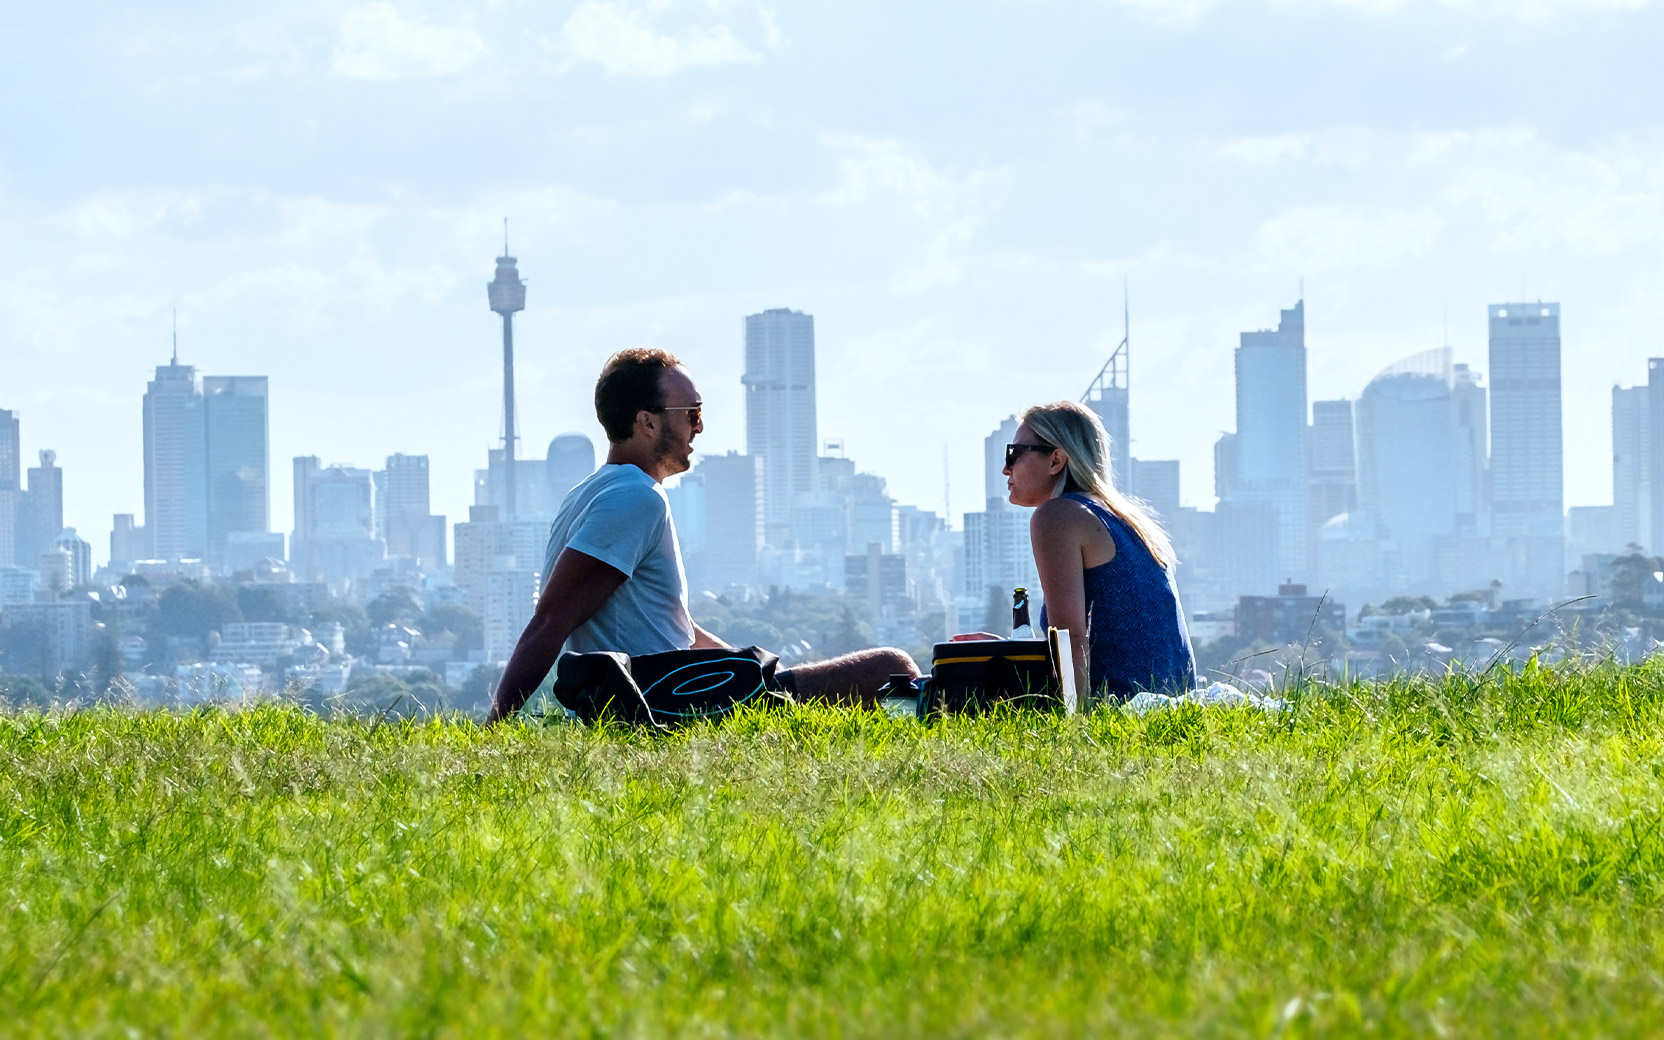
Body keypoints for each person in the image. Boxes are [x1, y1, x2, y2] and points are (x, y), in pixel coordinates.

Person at [486, 348, 918, 723]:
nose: (700, 427)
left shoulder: (589, 494)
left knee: (816, 682)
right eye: (691, 413)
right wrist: (495, 726)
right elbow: (551, 619)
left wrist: (750, 672)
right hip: (670, 704)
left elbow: (674, 629)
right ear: (647, 423)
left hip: (678, 691)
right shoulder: (635, 498)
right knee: (891, 668)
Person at [975, 400, 1195, 704]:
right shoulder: (1126, 520)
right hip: (1177, 706)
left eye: (1015, 453)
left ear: (1056, 460)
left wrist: (1073, 732)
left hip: (1123, 710)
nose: (1006, 468)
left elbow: (1070, 639)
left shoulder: (1058, 515)